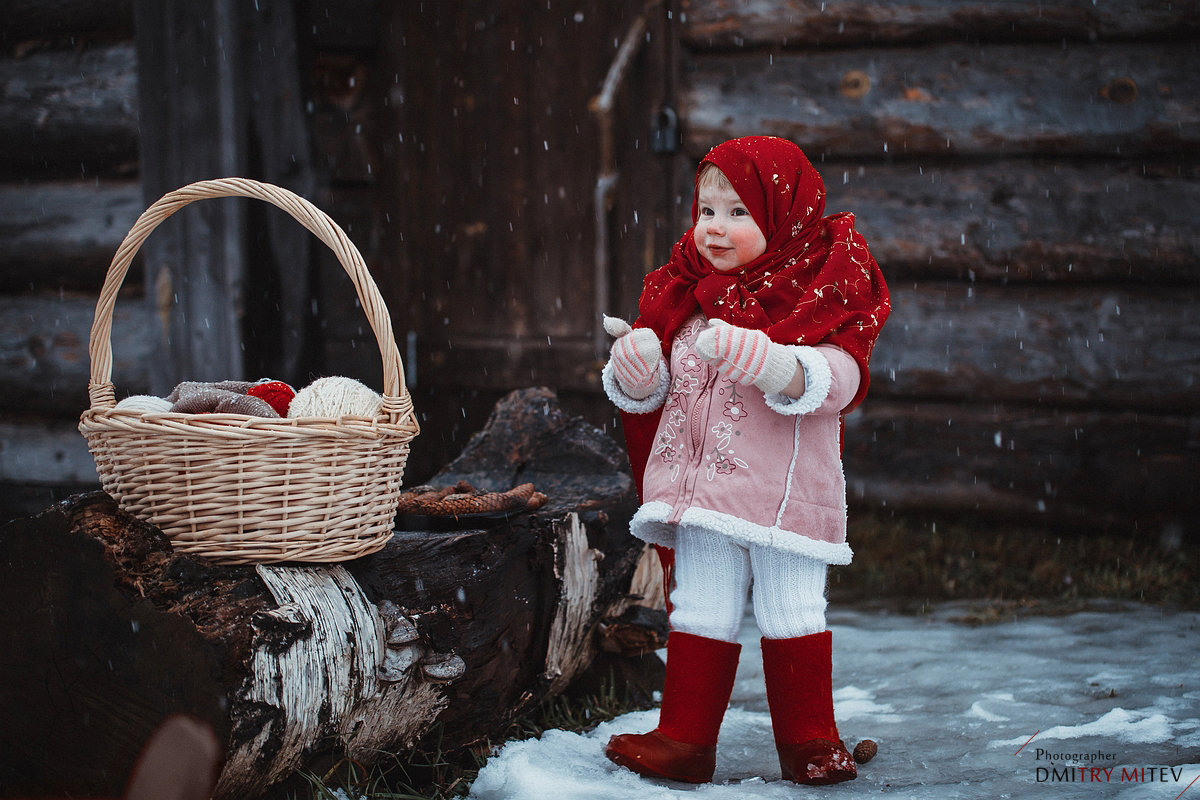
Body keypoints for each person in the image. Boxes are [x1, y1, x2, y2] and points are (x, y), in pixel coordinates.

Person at [600, 136, 890, 785]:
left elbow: (843, 378)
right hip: (701, 494)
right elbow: (661, 395)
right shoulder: (686, 295)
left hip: (787, 496)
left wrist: (783, 366)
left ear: (783, 218)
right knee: (700, 606)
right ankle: (685, 739)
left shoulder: (816, 291)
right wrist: (637, 369)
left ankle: (811, 742)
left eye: (738, 213)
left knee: (793, 610)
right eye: (707, 211)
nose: (715, 228)